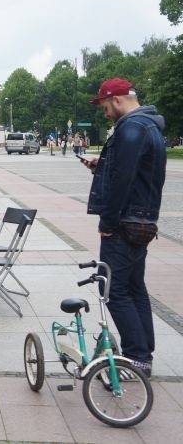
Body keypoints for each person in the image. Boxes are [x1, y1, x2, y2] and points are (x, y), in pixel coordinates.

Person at [81, 77, 166, 377]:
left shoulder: (131, 128)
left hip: (125, 222)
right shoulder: (149, 126)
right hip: (142, 220)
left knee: (113, 291)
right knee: (134, 288)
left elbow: (123, 181)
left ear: (116, 100)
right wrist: (100, 166)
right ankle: (144, 356)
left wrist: (108, 221)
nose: (104, 113)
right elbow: (131, 172)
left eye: (104, 107)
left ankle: (136, 356)